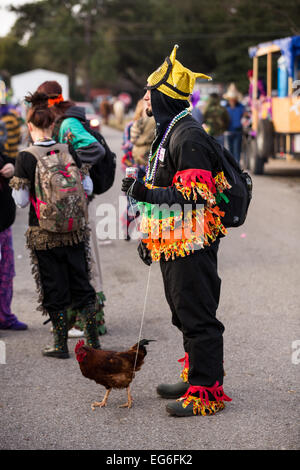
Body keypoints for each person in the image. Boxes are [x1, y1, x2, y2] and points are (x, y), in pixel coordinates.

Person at [122, 45, 232, 417]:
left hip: (194, 245)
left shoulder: (188, 136)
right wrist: (150, 238)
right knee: (182, 314)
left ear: (161, 97)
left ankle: (206, 391)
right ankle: (194, 375)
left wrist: (144, 191)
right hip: (173, 244)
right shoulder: (168, 131)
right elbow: (169, 192)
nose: (144, 99)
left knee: (199, 316)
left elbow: (194, 197)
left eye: (148, 92)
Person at [10, 91, 99, 358]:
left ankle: (60, 345)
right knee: (82, 283)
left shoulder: (26, 156)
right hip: (74, 231)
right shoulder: (66, 149)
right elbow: (88, 186)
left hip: (44, 233)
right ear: (52, 124)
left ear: (29, 126)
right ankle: (93, 341)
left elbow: (22, 202)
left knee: (53, 286)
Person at [35, 80, 107, 338]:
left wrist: (71, 171)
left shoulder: (67, 122)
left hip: (76, 200)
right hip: (66, 201)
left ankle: (92, 321)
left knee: (86, 259)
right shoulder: (58, 121)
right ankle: (78, 318)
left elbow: (93, 148)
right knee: (75, 258)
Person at [0, 152, 27, 331]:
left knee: (6, 274)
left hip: (4, 226)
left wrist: (12, 168)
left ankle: (4, 316)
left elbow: (10, 159)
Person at [223, 83, 245, 163]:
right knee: (229, 152)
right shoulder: (225, 108)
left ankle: (237, 168)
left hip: (237, 132)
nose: (232, 100)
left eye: (233, 98)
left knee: (237, 152)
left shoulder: (241, 107)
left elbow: (245, 117)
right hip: (228, 132)